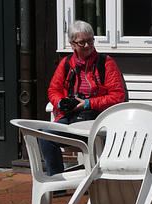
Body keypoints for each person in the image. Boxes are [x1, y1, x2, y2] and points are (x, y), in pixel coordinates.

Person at [39, 20, 126, 193]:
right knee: (45, 137)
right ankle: (58, 184)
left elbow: (118, 96)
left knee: (112, 144)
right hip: (72, 119)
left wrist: (87, 103)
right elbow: (53, 90)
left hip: (101, 119)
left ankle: (110, 187)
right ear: (72, 44)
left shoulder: (105, 63)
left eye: (91, 41)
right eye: (82, 42)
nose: (87, 46)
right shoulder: (66, 64)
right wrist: (62, 104)